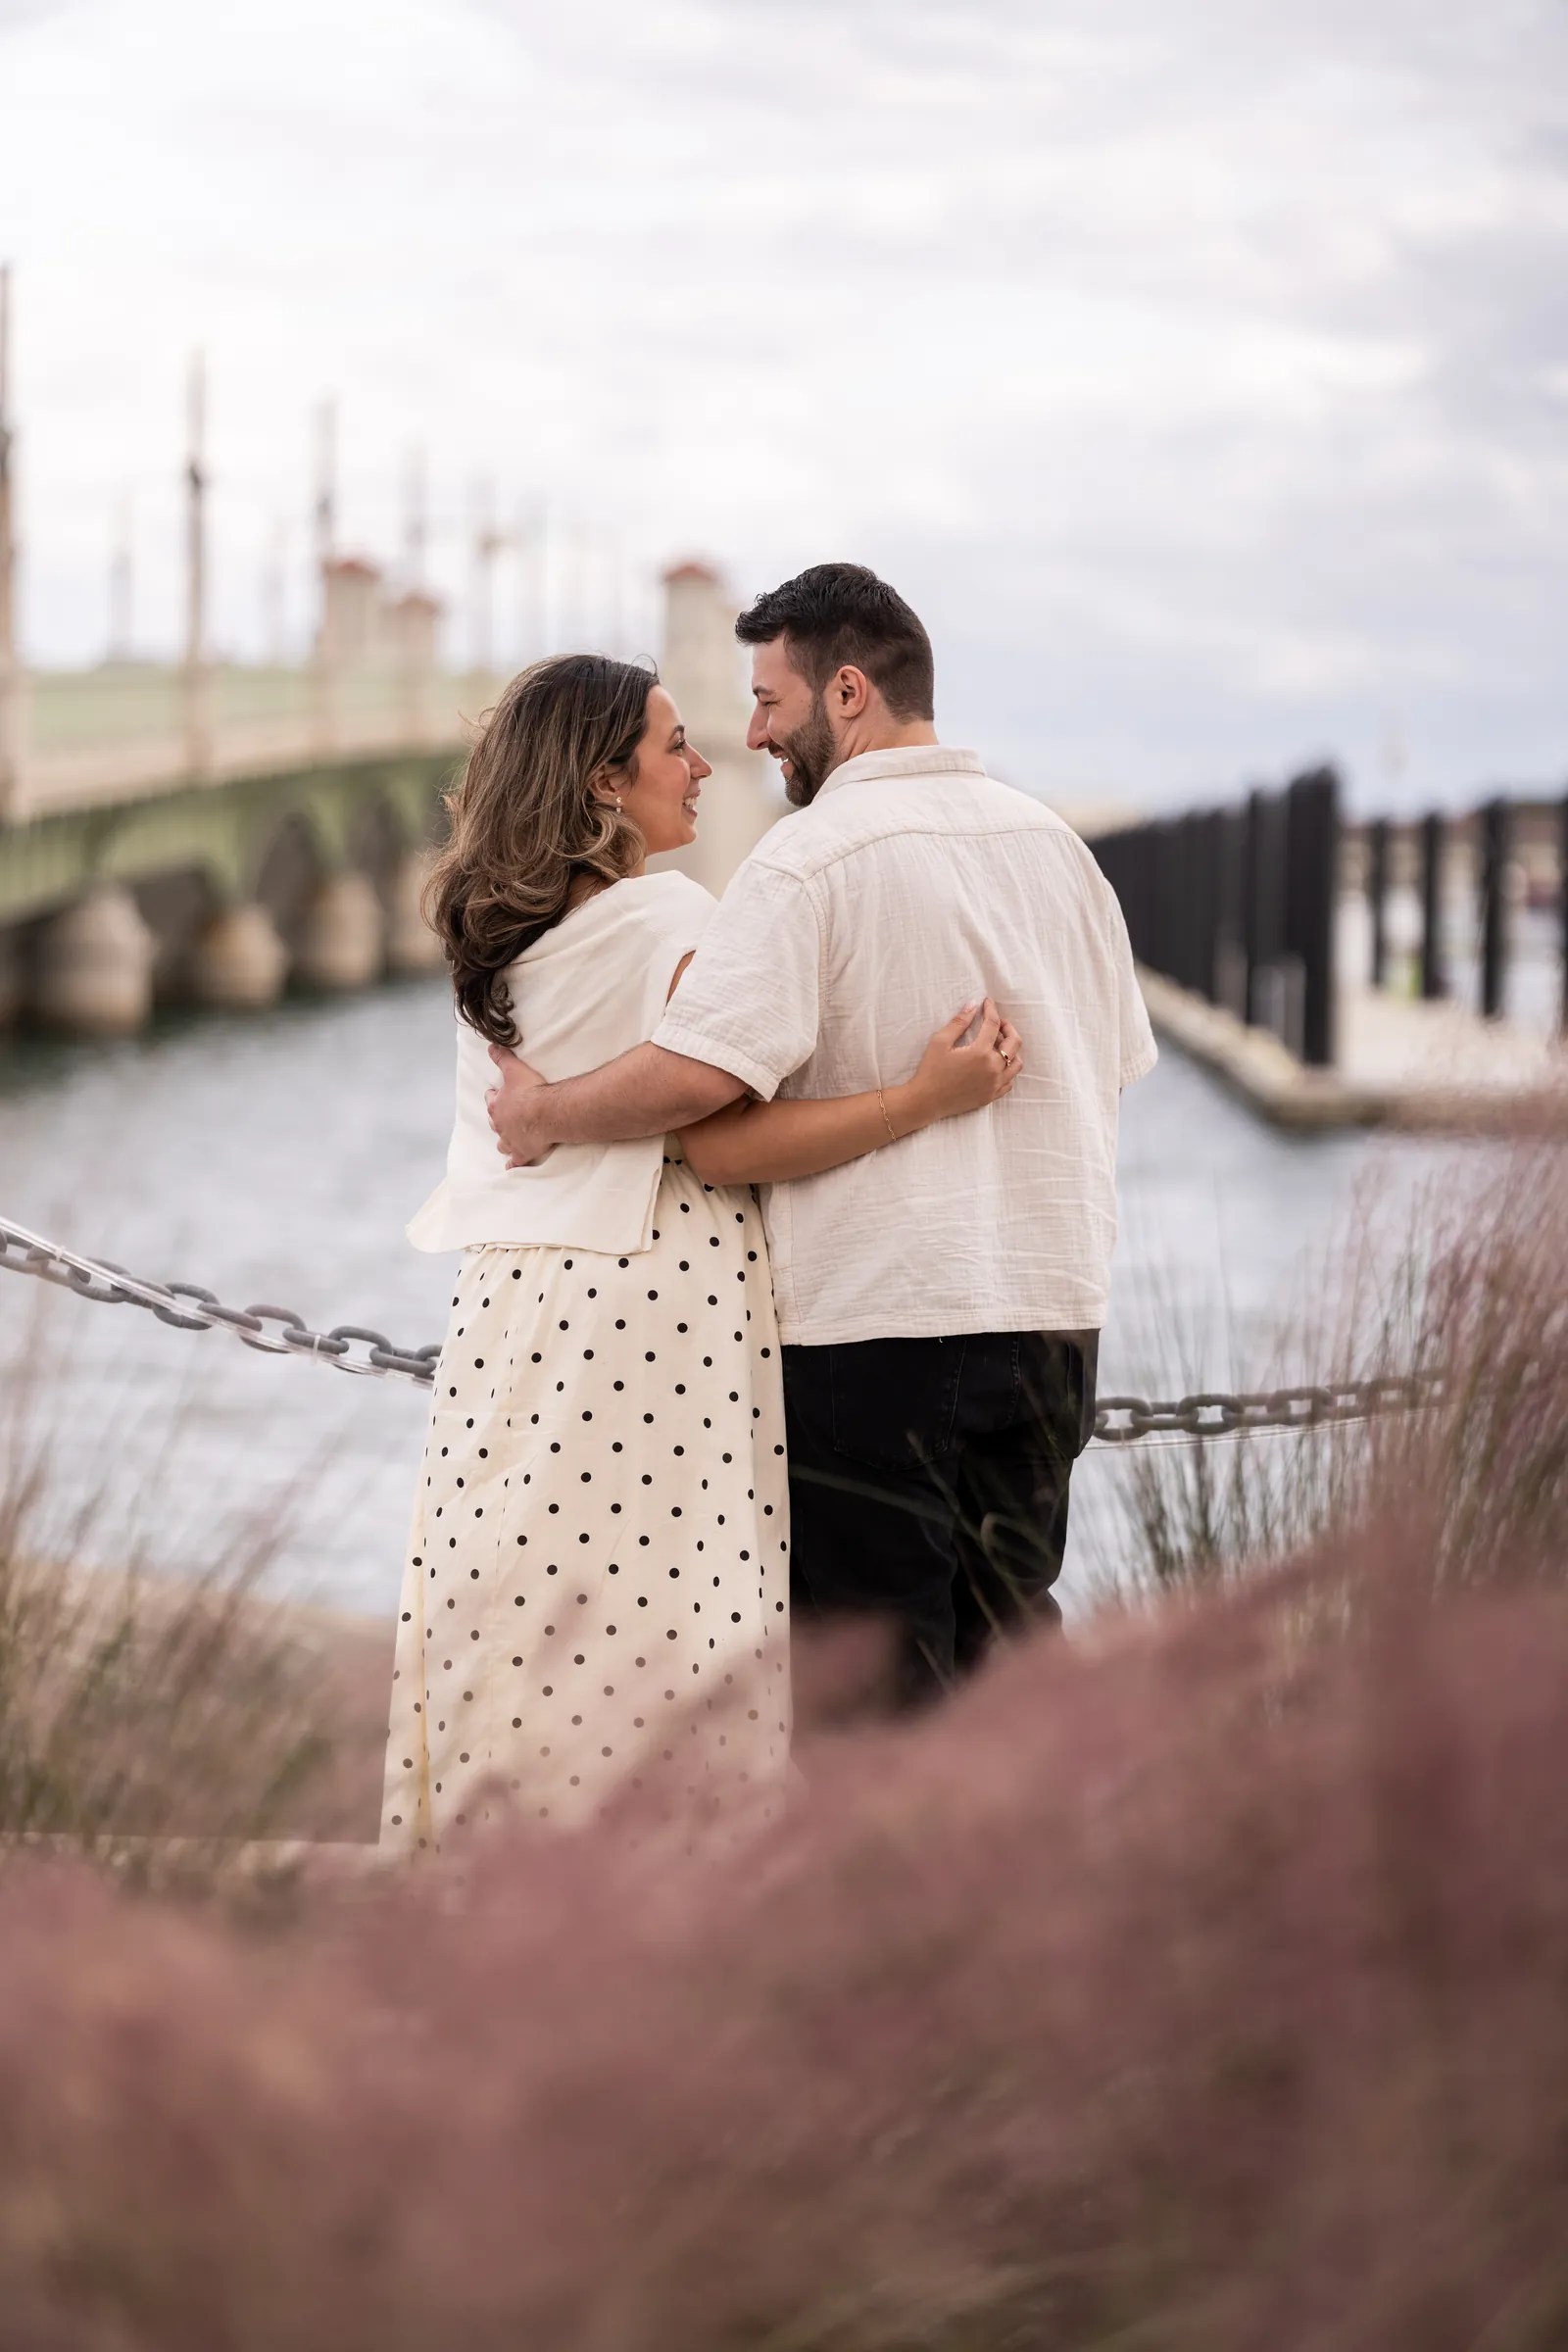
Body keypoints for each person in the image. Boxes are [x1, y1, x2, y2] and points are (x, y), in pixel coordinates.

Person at [381, 650, 1023, 1853]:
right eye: (672, 744)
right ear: (602, 784)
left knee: (518, 1624)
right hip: (652, 1315)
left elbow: (525, 1129)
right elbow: (724, 1137)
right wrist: (923, 1097)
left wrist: (553, 1113)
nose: (702, 762)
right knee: (667, 1634)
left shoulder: (489, 944)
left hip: (508, 1316)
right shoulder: (673, 923)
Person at [487, 565, 1157, 1706]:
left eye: (766, 700)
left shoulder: (807, 861)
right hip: (1054, 1316)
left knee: (874, 1703)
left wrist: (546, 1112)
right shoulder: (1062, 854)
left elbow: (695, 1086)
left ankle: (891, 1892)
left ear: (846, 692)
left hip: (878, 1329)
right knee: (1007, 1677)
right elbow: (1116, 1071)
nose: (750, 734)